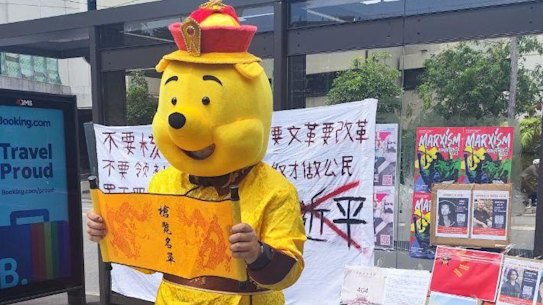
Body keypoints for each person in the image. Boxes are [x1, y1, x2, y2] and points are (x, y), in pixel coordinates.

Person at [87, 1, 305, 304]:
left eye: (207, 101)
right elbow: (150, 257)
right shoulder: (164, 184)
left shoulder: (274, 190)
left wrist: (258, 253)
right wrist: (112, 231)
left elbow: (290, 272)